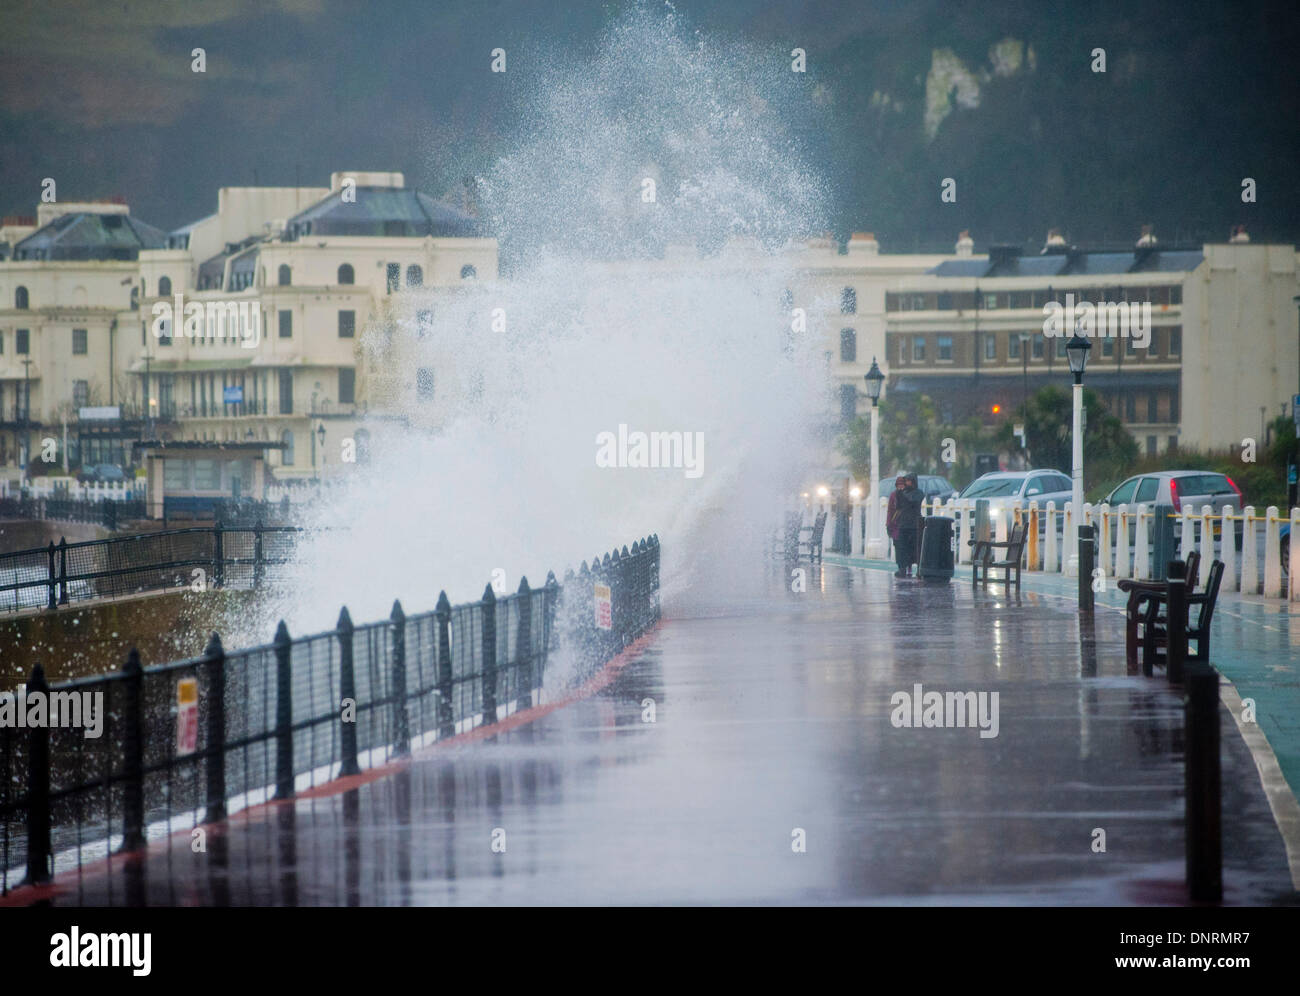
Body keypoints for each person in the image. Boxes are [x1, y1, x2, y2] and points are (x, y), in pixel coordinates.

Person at [894, 473, 925, 578]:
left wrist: (903, 494)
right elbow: (898, 506)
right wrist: (899, 494)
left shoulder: (918, 493)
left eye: (908, 481)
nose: (906, 483)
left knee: (916, 549)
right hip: (903, 524)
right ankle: (902, 569)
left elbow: (914, 501)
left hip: (914, 525)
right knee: (902, 549)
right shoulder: (902, 493)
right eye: (905, 480)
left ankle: (919, 571)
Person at [886, 475, 907, 576]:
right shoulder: (893, 495)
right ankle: (901, 567)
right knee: (898, 547)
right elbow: (890, 511)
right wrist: (888, 524)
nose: (900, 487)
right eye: (898, 485)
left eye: (902, 485)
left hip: (905, 526)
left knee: (904, 548)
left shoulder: (908, 495)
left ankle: (904, 567)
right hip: (895, 526)